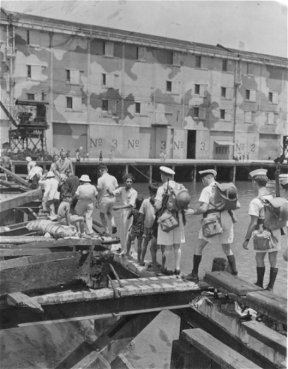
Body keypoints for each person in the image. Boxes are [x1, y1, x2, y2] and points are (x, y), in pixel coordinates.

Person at [185, 169, 238, 282]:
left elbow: (204, 208)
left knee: (199, 246)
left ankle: (194, 274)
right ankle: (234, 272)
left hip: (213, 221)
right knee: (227, 248)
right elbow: (237, 205)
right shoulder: (226, 188)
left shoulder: (207, 189)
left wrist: (193, 212)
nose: (202, 182)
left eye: (203, 180)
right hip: (227, 219)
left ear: (207, 178)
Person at [242, 169, 282, 291]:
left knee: (259, 257)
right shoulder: (274, 196)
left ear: (254, 182)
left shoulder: (255, 201)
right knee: (273, 259)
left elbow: (253, 223)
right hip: (276, 231)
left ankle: (259, 283)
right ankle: (270, 287)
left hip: (262, 232)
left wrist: (246, 239)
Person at [154, 166, 186, 275]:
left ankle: (166, 268)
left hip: (167, 218)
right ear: (172, 176)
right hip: (179, 218)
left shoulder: (162, 188)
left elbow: (157, 206)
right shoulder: (181, 187)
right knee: (177, 246)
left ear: (163, 176)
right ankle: (177, 269)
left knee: (167, 247)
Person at [113, 173, 138, 253]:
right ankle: (124, 248)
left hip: (129, 213)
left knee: (128, 231)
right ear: (124, 182)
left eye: (130, 182)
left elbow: (131, 205)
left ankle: (127, 250)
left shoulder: (134, 192)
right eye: (127, 181)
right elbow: (112, 193)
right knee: (122, 231)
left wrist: (118, 207)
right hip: (122, 213)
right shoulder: (122, 189)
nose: (129, 183)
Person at [139, 183, 158, 266]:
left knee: (145, 245)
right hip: (155, 228)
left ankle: (142, 260)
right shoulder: (159, 202)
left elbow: (141, 216)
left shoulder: (145, 201)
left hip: (147, 227)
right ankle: (154, 262)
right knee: (154, 247)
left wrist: (140, 227)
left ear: (149, 192)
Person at [96, 163, 118, 235]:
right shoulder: (113, 178)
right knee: (109, 213)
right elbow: (116, 188)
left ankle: (106, 230)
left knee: (102, 214)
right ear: (107, 170)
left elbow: (99, 191)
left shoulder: (100, 179)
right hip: (113, 198)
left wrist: (97, 201)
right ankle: (113, 224)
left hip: (105, 198)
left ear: (100, 171)